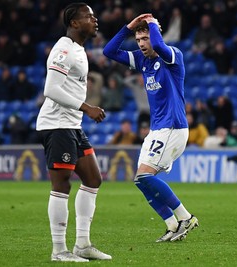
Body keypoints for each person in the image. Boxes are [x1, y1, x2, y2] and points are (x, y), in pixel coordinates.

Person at [103, 13, 198, 243]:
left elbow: (158, 44)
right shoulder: (142, 60)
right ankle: (172, 224)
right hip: (157, 130)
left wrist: (152, 24)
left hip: (173, 127)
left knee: (145, 175)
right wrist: (128, 28)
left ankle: (186, 217)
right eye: (138, 41)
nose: (142, 44)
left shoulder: (173, 56)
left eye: (144, 38)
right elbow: (109, 52)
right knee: (140, 180)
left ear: (154, 35)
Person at [35, 3, 111, 262]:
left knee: (93, 179)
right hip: (56, 125)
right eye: (89, 16)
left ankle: (82, 244)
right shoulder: (64, 48)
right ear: (75, 23)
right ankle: (59, 250)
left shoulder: (78, 49)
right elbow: (51, 89)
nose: (95, 19)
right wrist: (87, 107)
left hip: (72, 125)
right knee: (61, 185)